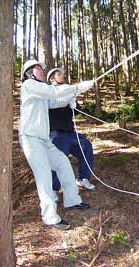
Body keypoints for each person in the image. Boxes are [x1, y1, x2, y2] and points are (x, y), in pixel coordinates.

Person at [19, 59, 94, 230]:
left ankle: (73, 200)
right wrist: (77, 87)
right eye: (39, 68)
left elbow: (55, 101)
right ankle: (50, 217)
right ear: (30, 72)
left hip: (43, 139)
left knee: (63, 163)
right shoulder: (29, 85)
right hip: (30, 138)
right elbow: (52, 92)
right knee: (44, 174)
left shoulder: (40, 92)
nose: (42, 71)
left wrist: (71, 96)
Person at [47, 68, 95, 191]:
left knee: (86, 146)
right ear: (52, 79)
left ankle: (83, 178)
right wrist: (71, 94)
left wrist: (74, 101)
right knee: (58, 157)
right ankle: (55, 187)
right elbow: (57, 102)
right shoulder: (49, 92)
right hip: (56, 134)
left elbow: (76, 109)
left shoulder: (68, 90)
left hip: (70, 133)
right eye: (59, 74)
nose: (62, 75)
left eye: (62, 73)